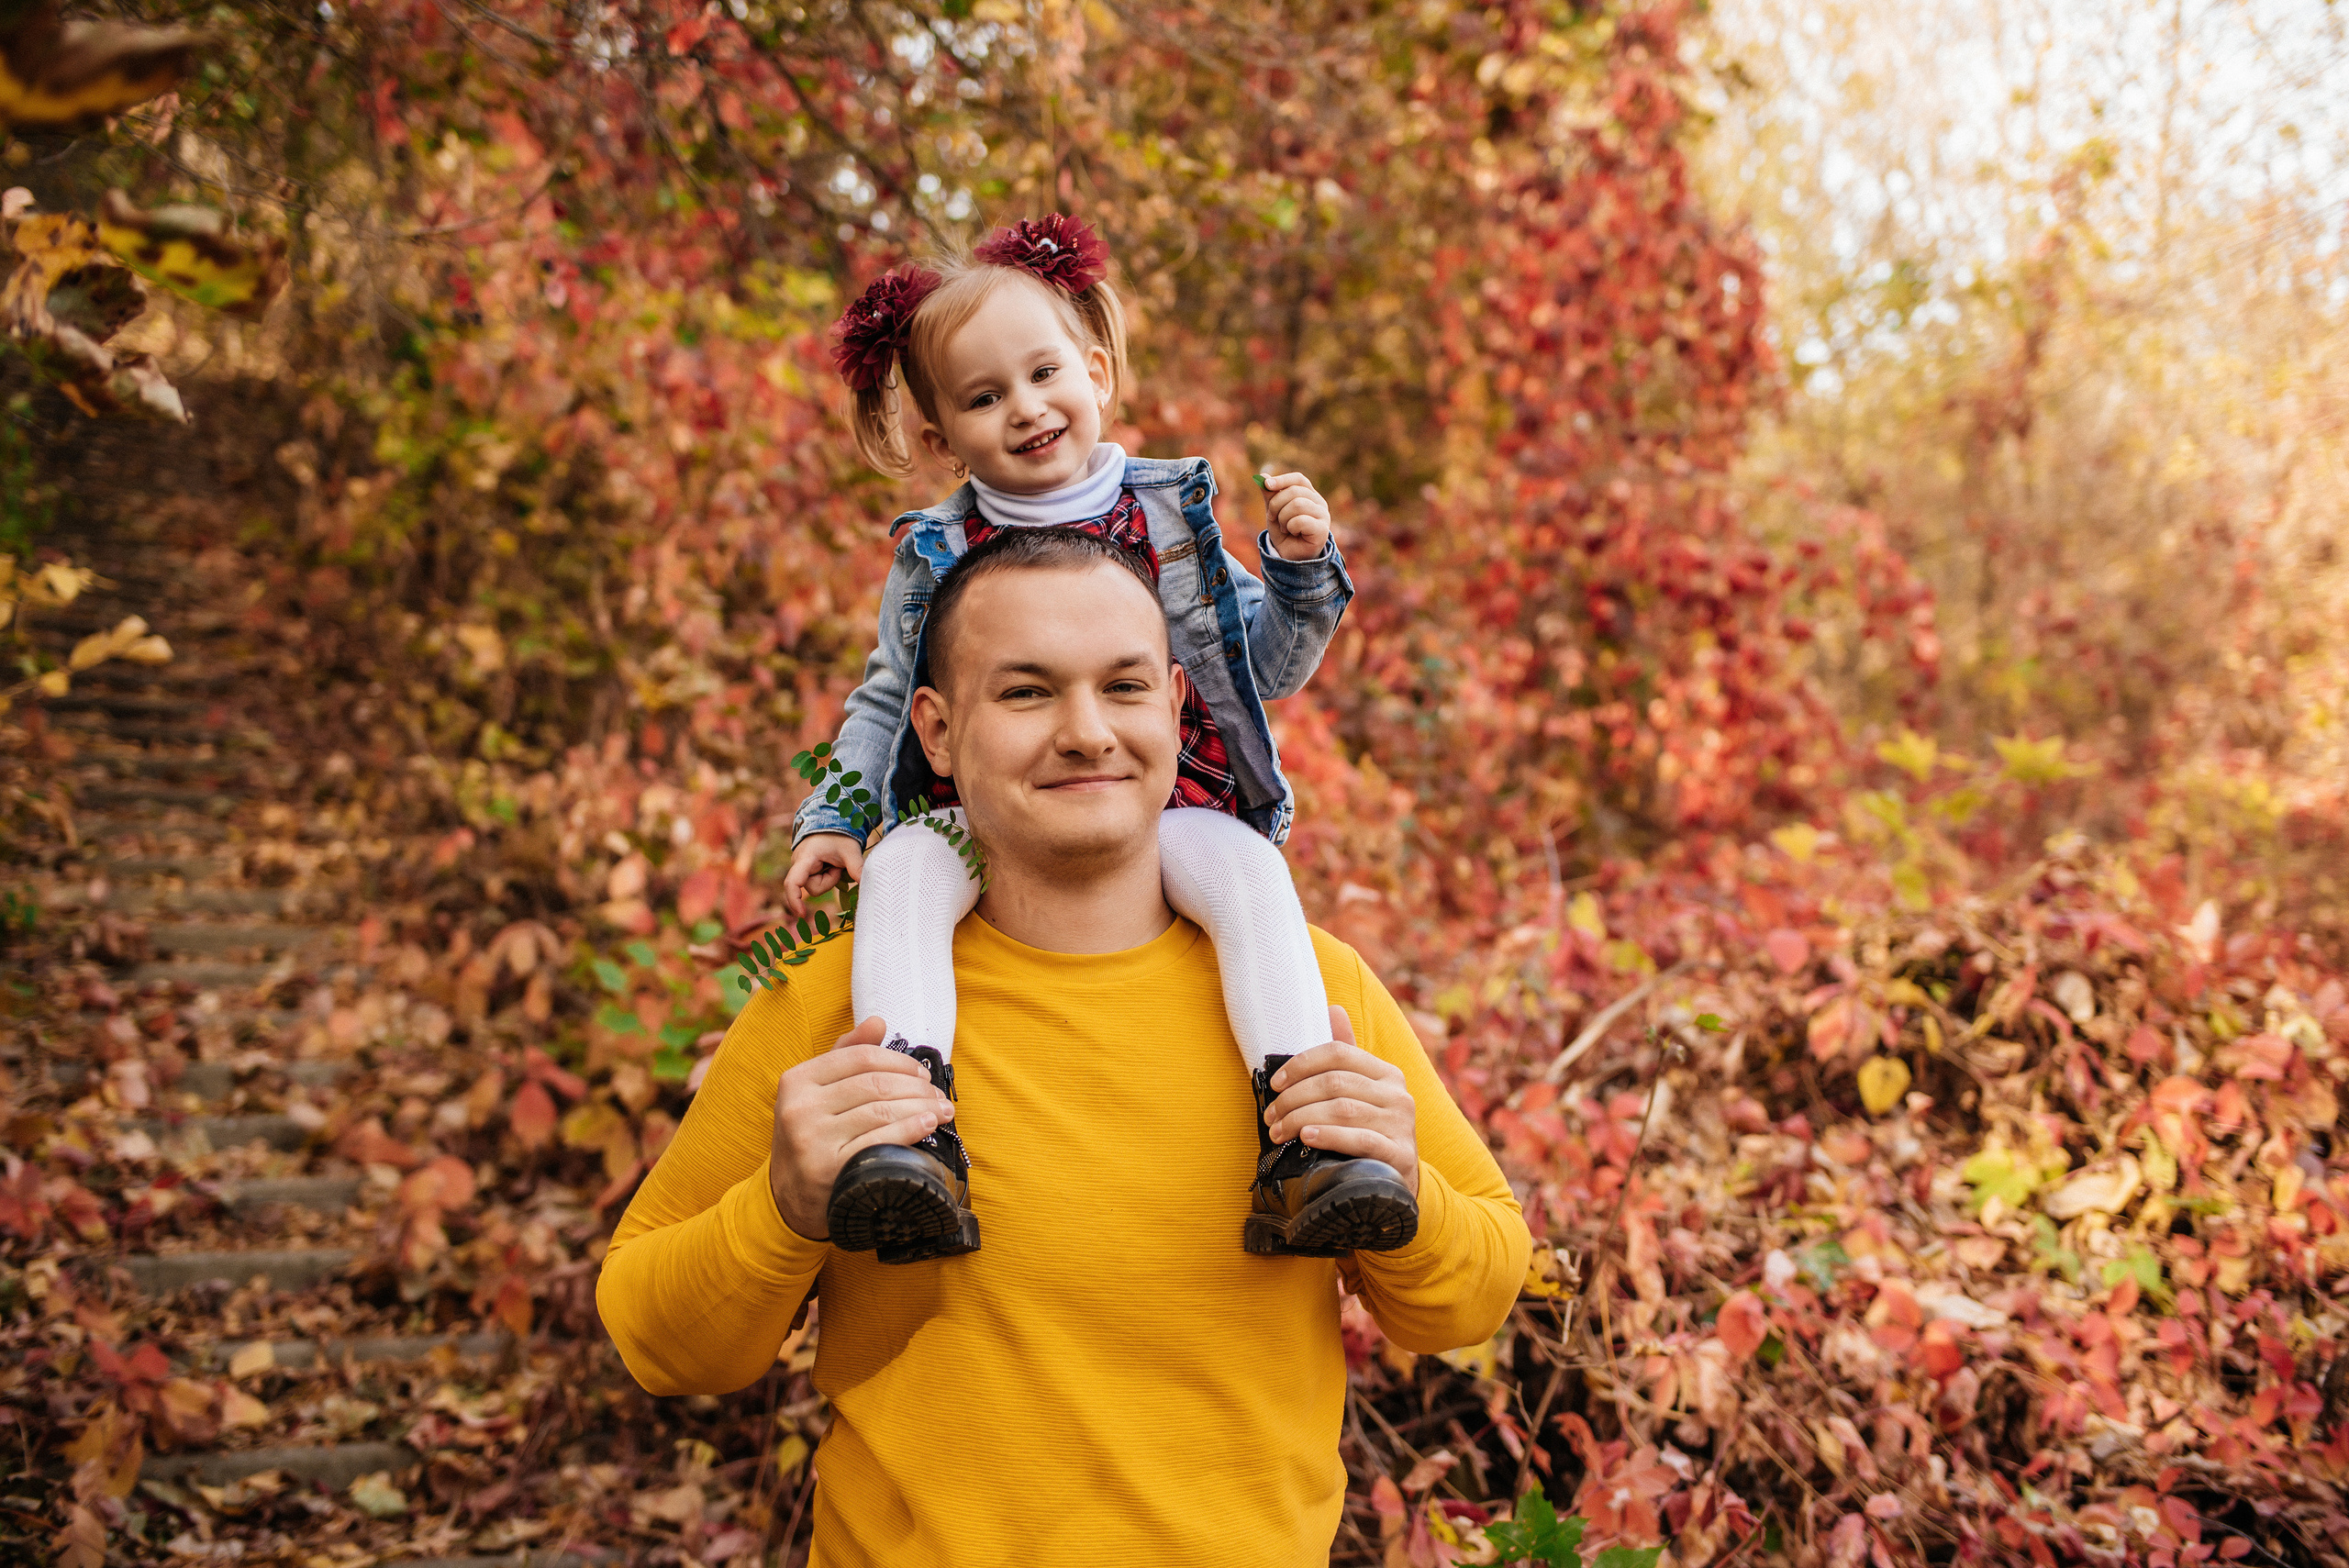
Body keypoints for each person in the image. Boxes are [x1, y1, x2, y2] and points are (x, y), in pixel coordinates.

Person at [598, 531, 1531, 1565]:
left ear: (1176, 707)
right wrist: (780, 1206)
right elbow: (656, 1339)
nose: (1088, 733)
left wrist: (1409, 1188)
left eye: (1123, 686)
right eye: (1028, 693)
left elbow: (1473, 1298)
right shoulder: (837, 1005)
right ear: (938, 732)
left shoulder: (1309, 994)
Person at [780, 212, 1397, 1263]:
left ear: (1096, 369)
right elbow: (889, 698)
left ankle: (1310, 1148)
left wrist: (1299, 569)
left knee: (1249, 876)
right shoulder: (936, 554)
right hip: (984, 813)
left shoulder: (1169, 516)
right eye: (983, 397)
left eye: (1042, 372)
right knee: (906, 877)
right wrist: (835, 816)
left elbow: (1270, 668)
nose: (1024, 409)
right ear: (938, 438)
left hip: (1169, 801)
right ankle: (909, 1137)